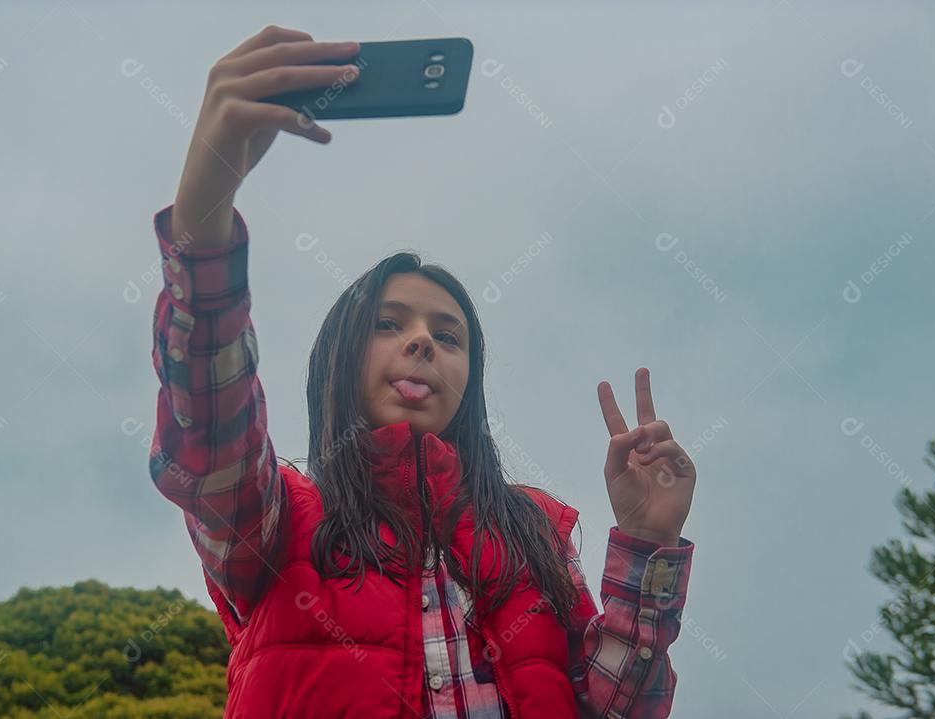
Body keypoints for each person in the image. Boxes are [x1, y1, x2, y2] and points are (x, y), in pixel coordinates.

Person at [148, 24, 697, 718]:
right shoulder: (275, 522)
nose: (421, 343)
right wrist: (204, 220)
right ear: (338, 362)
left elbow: (616, 710)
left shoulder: (533, 539)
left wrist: (648, 546)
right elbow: (211, 423)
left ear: (470, 383)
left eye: (448, 334)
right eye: (388, 323)